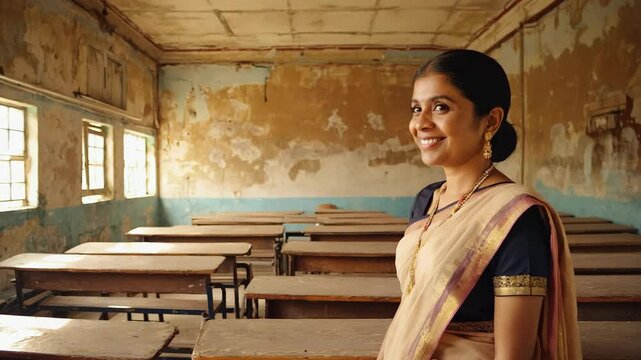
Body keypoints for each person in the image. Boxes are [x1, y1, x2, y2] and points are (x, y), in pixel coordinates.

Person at [377, 49, 581, 360]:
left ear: (490, 120)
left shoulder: (517, 217)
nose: (421, 123)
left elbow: (513, 355)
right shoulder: (426, 201)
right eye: (416, 109)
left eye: (441, 107)